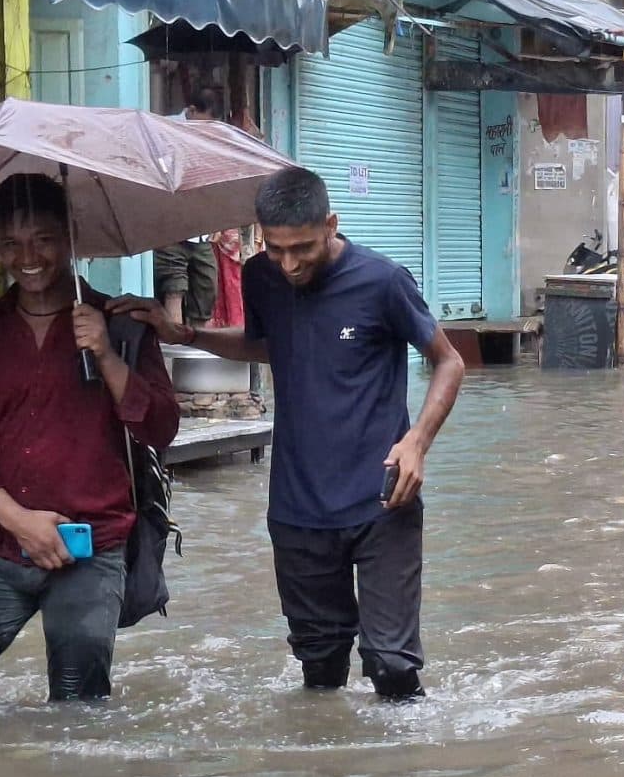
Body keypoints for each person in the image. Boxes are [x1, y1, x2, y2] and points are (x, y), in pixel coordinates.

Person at [123, 167, 467, 701]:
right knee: (319, 668)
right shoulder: (263, 277)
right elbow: (268, 344)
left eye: (302, 248)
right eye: (277, 248)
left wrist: (417, 440)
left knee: (391, 667)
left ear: (331, 224)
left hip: (382, 498)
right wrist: (185, 334)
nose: (289, 264)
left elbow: (449, 362)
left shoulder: (383, 281)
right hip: (297, 507)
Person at [0, 174, 181, 707]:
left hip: (94, 548)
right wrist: (20, 522)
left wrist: (105, 355)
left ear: (69, 237)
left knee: (76, 711)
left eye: (43, 239)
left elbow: (161, 429)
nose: (28, 256)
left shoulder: (122, 326)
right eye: (12, 244)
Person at [154, 87, 227, 328]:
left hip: (200, 229)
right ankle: (171, 355)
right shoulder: (165, 131)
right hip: (170, 227)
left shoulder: (213, 136)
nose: (207, 130)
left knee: (206, 287)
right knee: (174, 288)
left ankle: (200, 350)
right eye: (204, 123)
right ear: (192, 110)